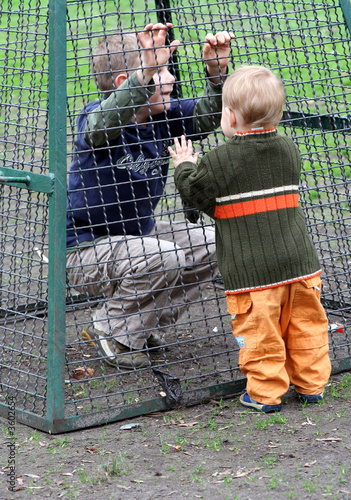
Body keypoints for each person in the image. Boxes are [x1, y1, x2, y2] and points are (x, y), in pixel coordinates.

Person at [66, 23, 234, 370]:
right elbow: (102, 123)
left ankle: (143, 323)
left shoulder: (165, 117)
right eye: (160, 72)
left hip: (139, 240)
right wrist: (145, 73)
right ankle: (113, 327)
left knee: (217, 240)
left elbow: (208, 116)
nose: (171, 79)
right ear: (124, 84)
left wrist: (217, 75)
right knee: (166, 256)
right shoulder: (95, 120)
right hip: (85, 250)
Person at [170, 65, 331, 412]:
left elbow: (197, 193)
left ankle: (265, 393)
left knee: (261, 335)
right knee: (306, 326)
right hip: (301, 264)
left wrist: (184, 164)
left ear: (229, 116)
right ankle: (312, 384)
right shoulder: (289, 149)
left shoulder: (218, 160)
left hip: (253, 273)